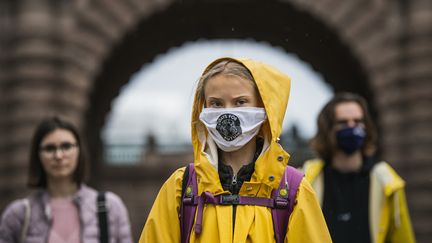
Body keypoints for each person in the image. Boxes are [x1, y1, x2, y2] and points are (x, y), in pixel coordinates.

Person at [139, 57, 331, 242]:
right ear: (203, 108)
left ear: (265, 108)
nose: (227, 112)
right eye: (216, 103)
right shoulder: (180, 188)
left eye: (240, 102)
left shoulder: (292, 191)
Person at [302, 92, 416, 243]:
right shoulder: (307, 180)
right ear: (327, 130)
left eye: (358, 121)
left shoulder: (388, 182)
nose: (352, 127)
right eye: (343, 122)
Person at [0, 116, 133, 243]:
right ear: (37, 155)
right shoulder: (19, 215)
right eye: (49, 148)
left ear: (79, 150)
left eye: (66, 146)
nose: (58, 155)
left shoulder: (110, 207)